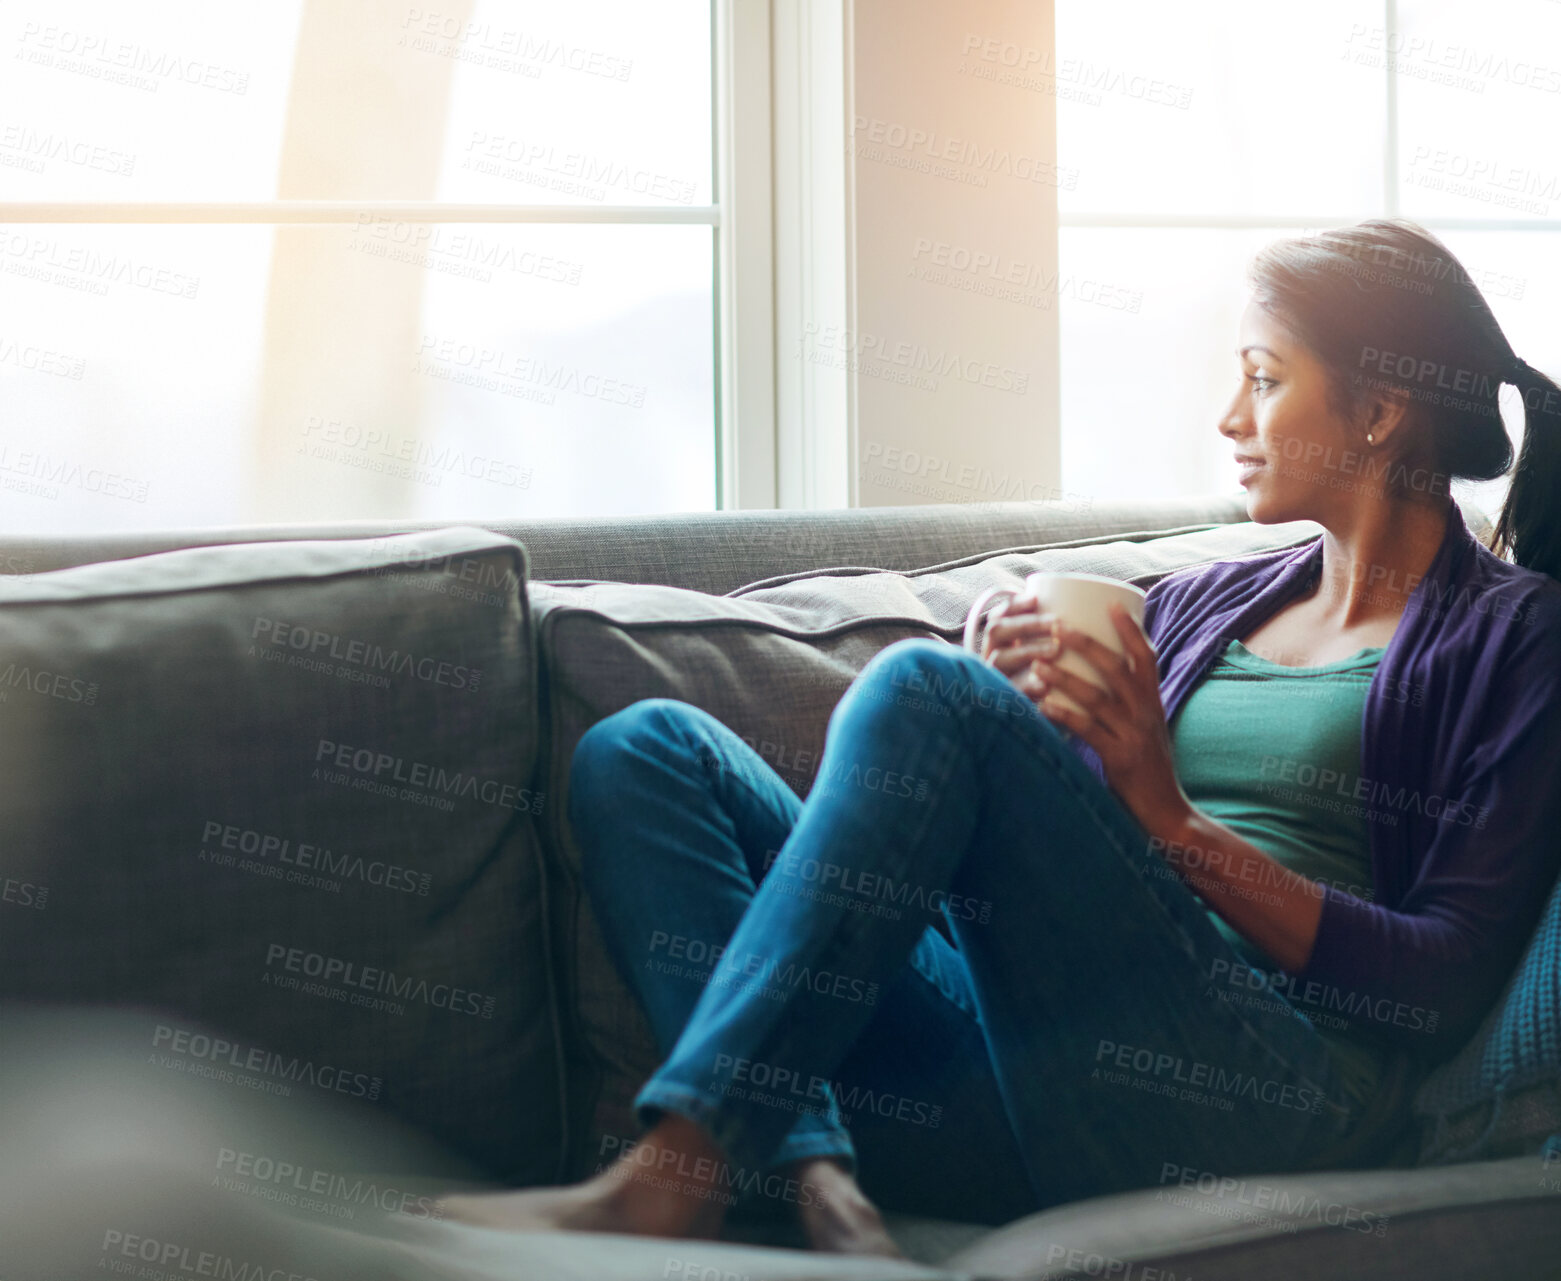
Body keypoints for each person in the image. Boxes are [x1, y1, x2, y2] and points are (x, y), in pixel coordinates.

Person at [437, 219, 1561, 1256]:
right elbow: (1056, 881)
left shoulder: (1514, 642)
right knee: (646, 751)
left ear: (1377, 411)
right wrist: (1003, 721)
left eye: (1263, 381)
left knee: (927, 691)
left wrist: (1162, 818)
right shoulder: (1200, 604)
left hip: (1267, 1096)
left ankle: (683, 1166)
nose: (1229, 420)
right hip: (1040, 1082)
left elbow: (1439, 981)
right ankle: (804, 1166)